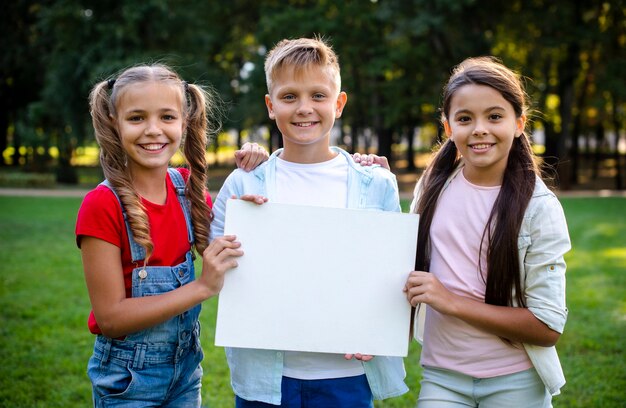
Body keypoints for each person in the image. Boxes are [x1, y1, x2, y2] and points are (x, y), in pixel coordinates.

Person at [210, 37, 408, 407]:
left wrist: (376, 331)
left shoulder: (374, 183)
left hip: (346, 376)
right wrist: (242, 229)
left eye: (318, 95)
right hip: (266, 379)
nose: (304, 108)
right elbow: (213, 265)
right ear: (271, 106)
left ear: (339, 103)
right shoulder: (245, 182)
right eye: (289, 97)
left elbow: (389, 273)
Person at [76, 63, 268, 406]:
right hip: (128, 382)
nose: (153, 130)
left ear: (184, 122)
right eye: (136, 118)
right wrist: (201, 288)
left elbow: (243, 246)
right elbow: (110, 318)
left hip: (186, 373)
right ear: (114, 123)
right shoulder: (101, 205)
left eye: (167, 117)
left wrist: (256, 181)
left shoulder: (189, 193)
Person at [404, 57, 571, 407]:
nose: (479, 129)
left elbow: (547, 327)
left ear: (519, 123)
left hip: (516, 380)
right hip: (442, 377)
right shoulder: (430, 190)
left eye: (495, 116)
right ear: (448, 127)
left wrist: (450, 302)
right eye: (465, 118)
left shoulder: (539, 208)